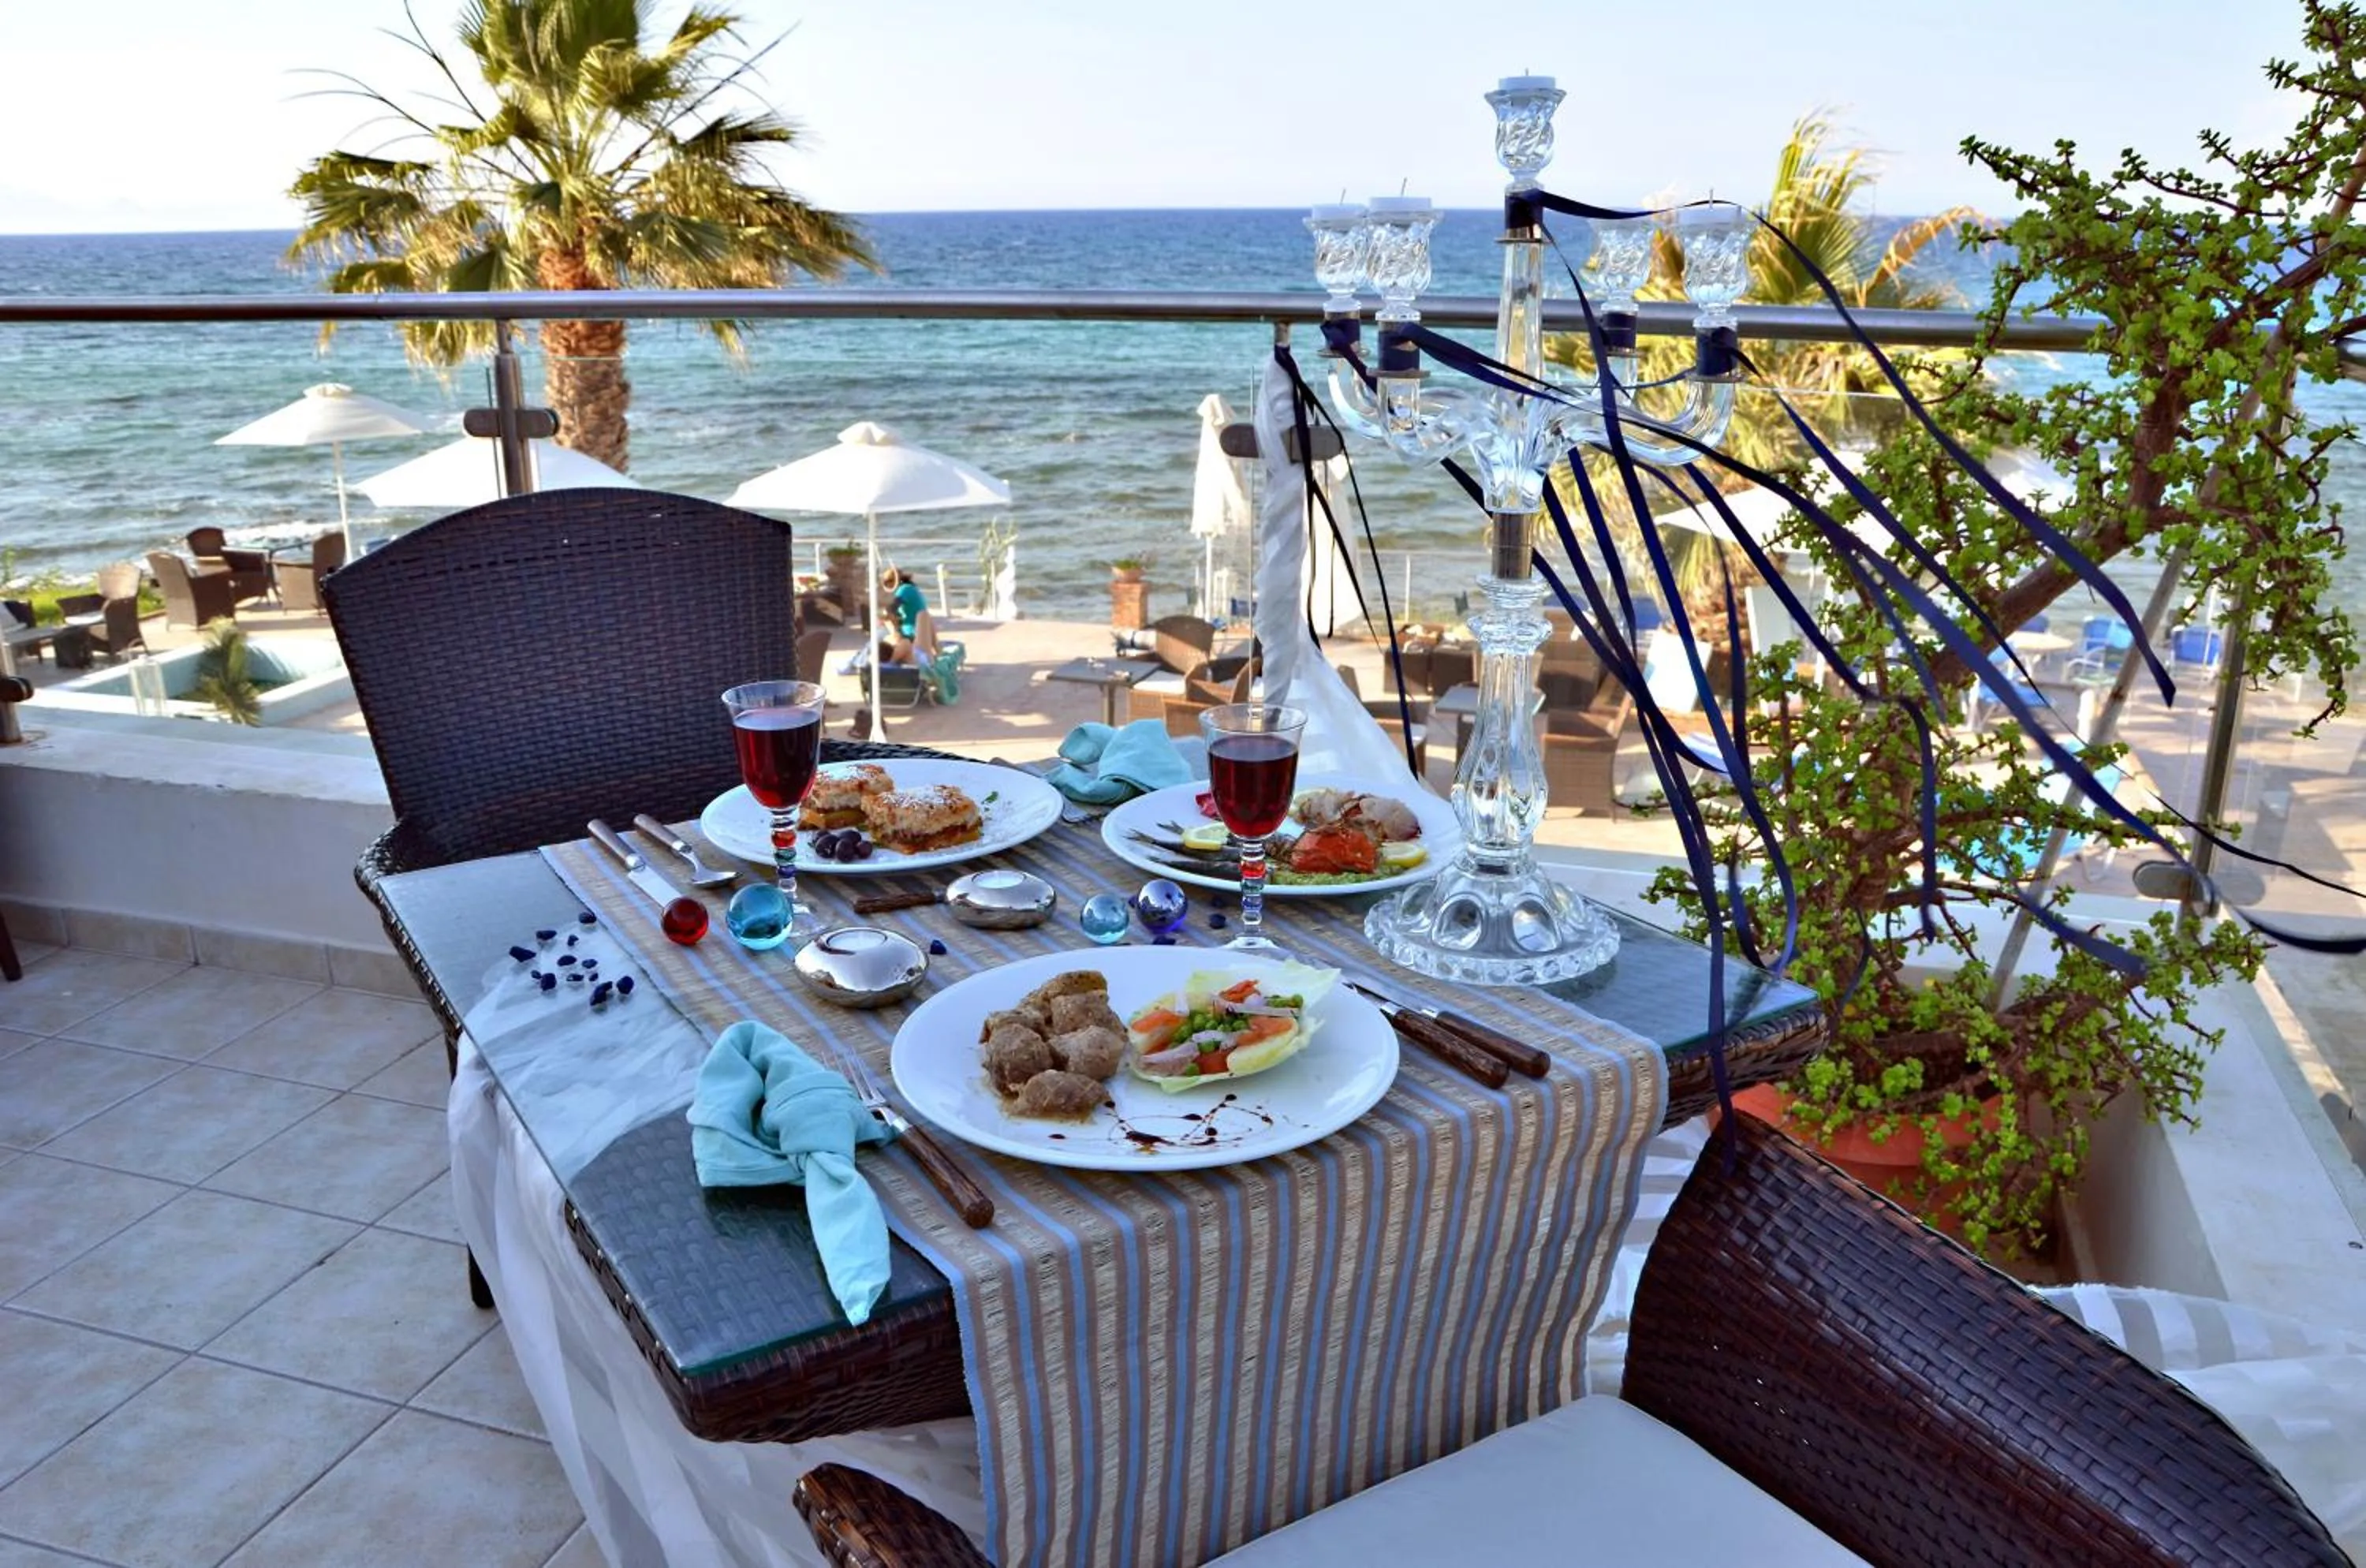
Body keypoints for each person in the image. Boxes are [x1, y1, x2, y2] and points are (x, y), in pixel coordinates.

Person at [876, 567, 931, 664]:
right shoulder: (911, 588)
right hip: (916, 629)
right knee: (883, 634)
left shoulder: (904, 590)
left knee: (881, 635)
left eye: (888, 585)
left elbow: (891, 609)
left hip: (911, 632)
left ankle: (884, 660)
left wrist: (882, 615)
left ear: (893, 582)